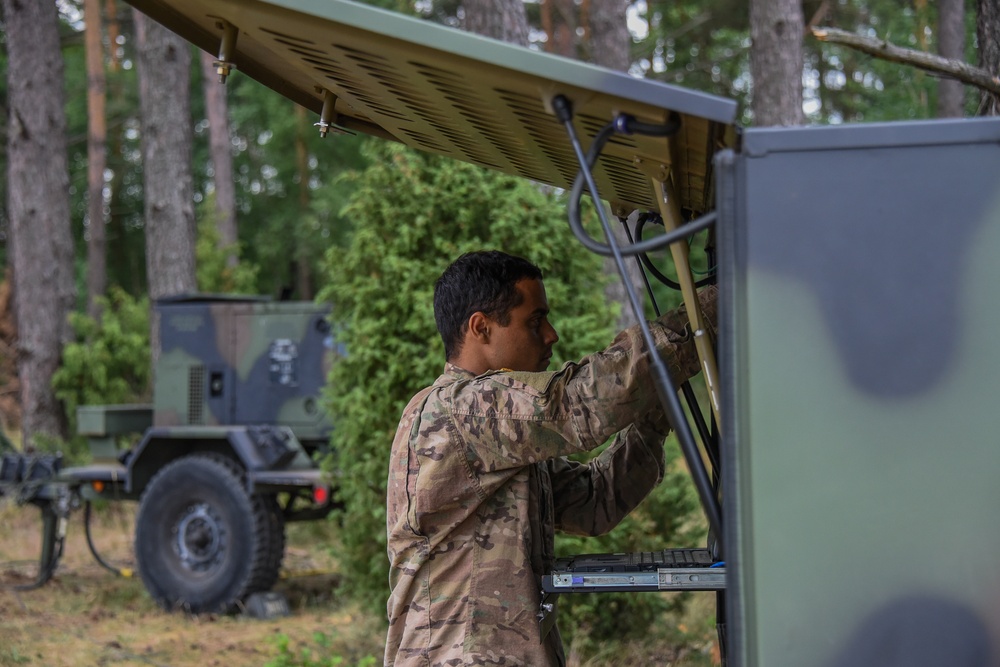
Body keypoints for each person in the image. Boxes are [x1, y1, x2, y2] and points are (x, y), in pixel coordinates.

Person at [384, 250, 717, 666]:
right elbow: (578, 405)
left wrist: (653, 413)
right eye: (534, 321)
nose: (551, 335)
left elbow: (594, 502)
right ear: (480, 327)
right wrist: (706, 319)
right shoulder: (459, 411)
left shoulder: (497, 441)